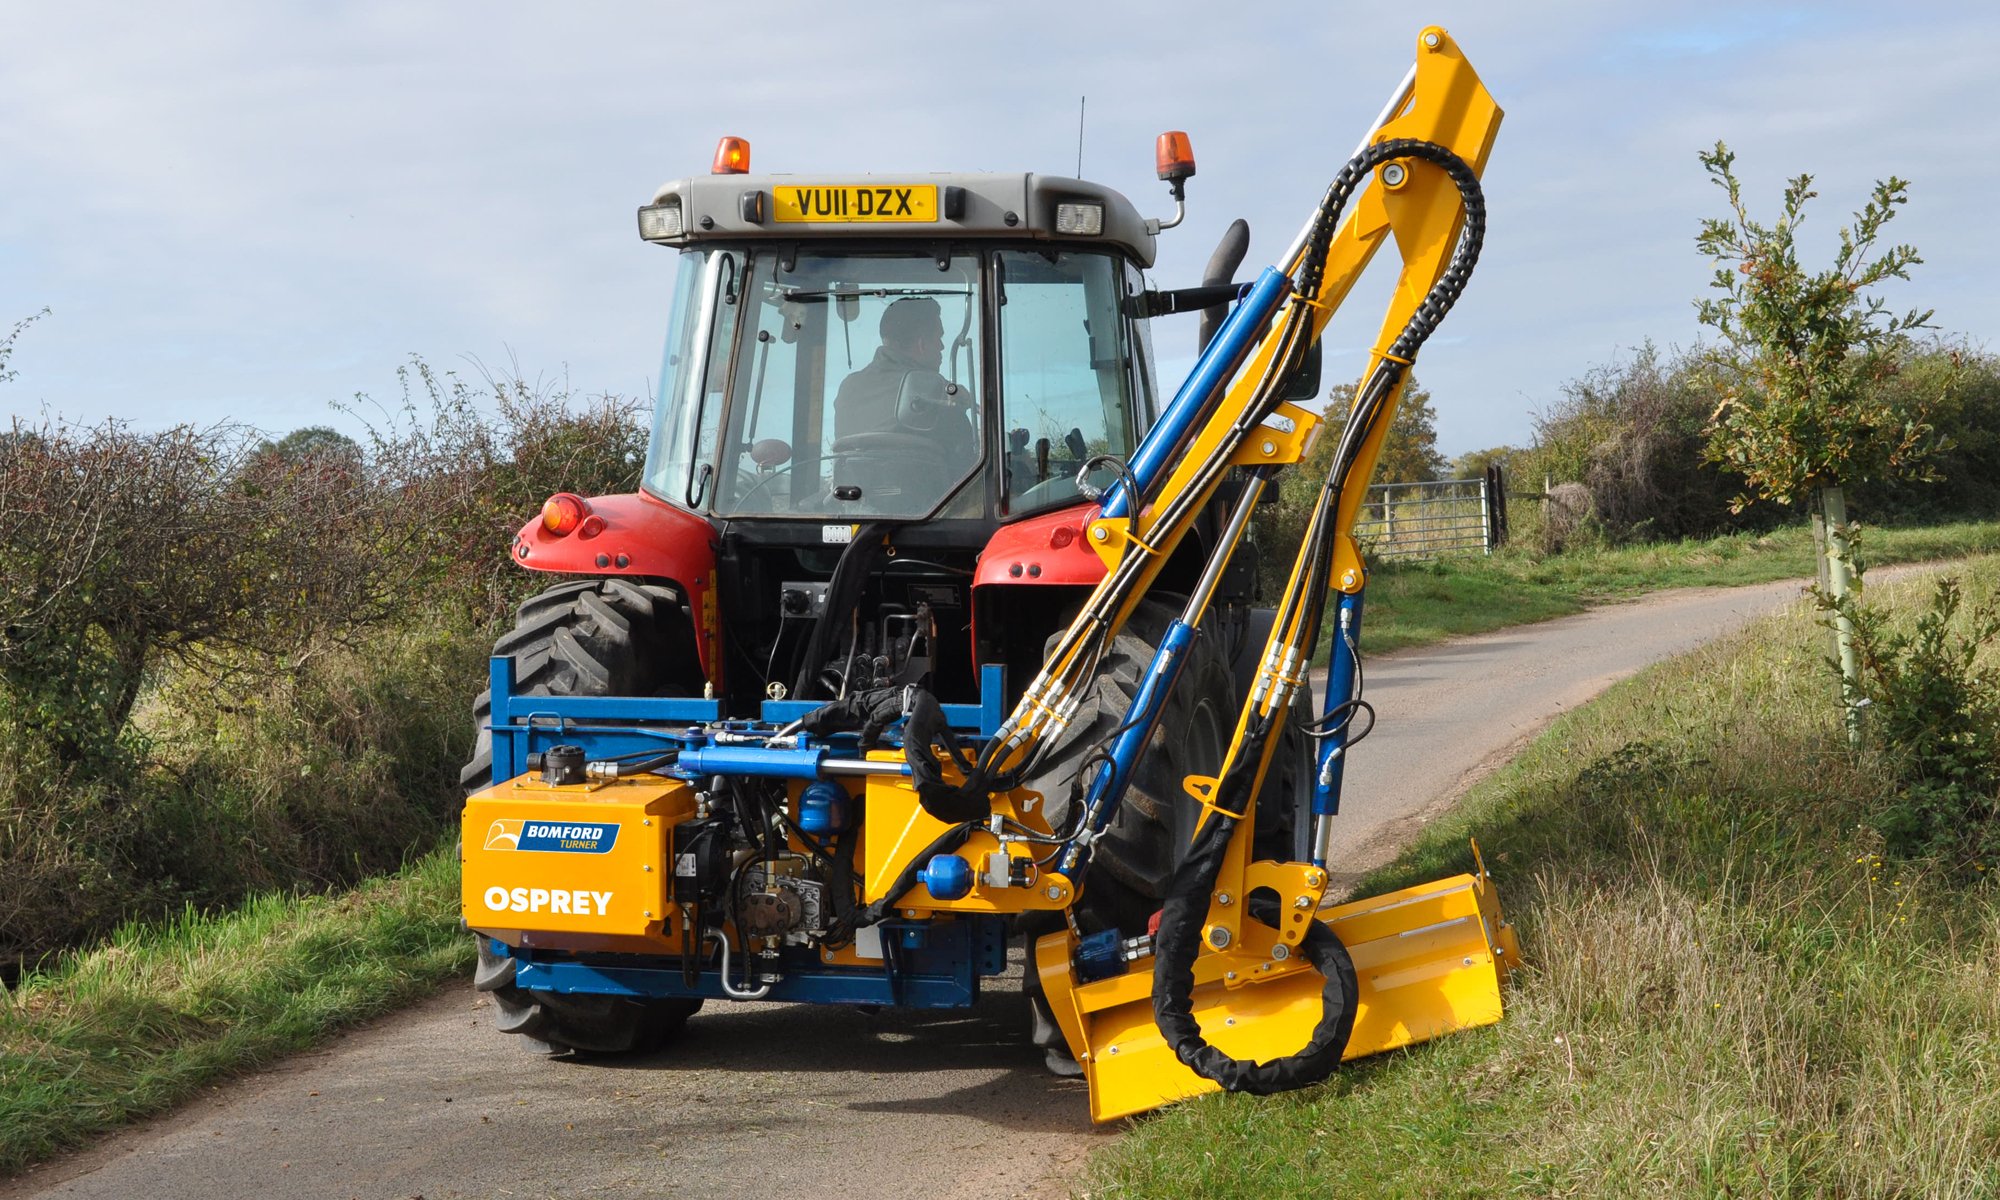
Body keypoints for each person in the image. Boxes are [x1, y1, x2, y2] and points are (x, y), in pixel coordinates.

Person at [832, 298, 973, 461]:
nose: (942, 346)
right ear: (921, 344)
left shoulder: (848, 388)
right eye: (938, 338)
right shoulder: (935, 389)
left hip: (853, 479)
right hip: (923, 478)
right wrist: (960, 406)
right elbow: (964, 455)